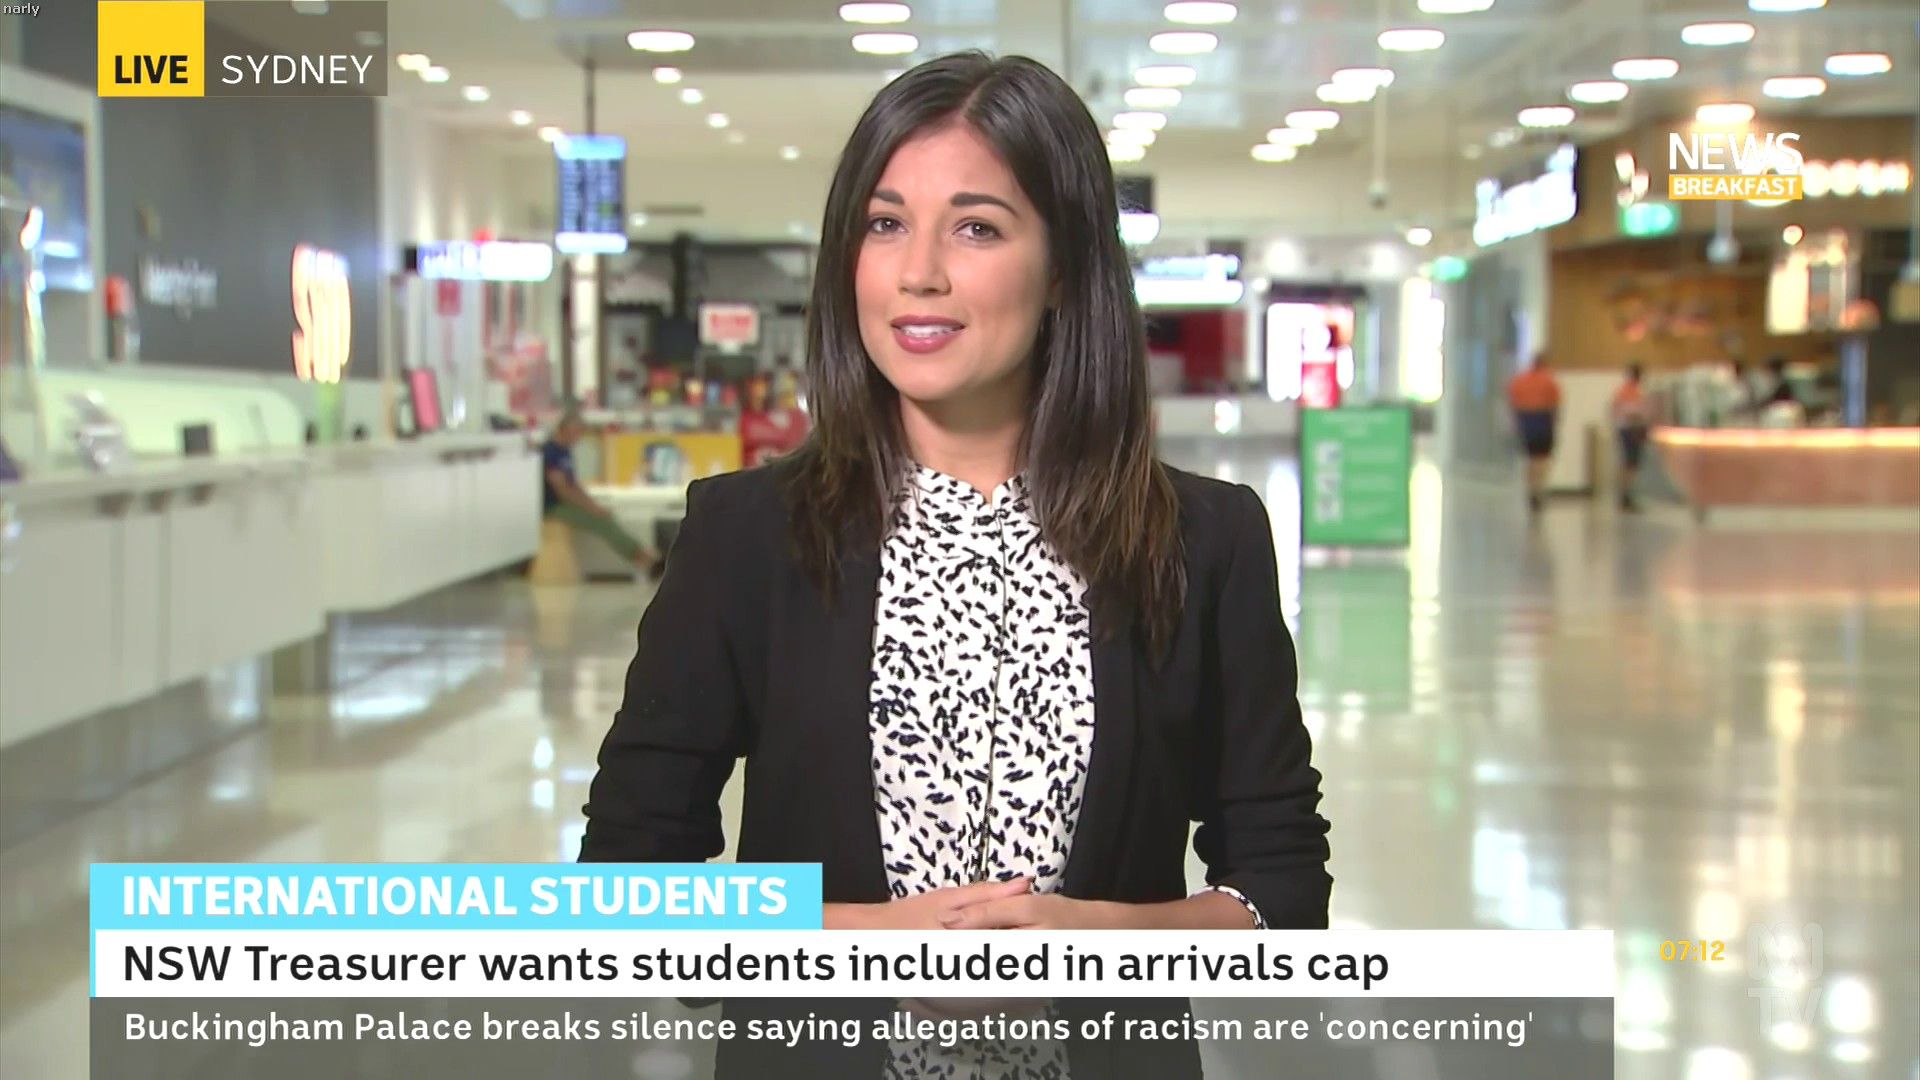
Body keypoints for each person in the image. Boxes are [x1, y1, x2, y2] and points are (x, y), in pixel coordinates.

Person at [579, 51, 1331, 1079]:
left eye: (976, 228)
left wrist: (1108, 938)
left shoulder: (1205, 540)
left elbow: (1282, 892)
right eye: (885, 224)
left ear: (1063, 267)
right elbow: (625, 892)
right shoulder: (747, 536)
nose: (917, 271)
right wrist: (863, 940)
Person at [540, 412, 661, 579]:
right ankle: (642, 557)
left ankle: (641, 555)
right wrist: (592, 507)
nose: (578, 439)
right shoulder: (550, 452)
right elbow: (563, 489)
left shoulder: (564, 452)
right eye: (576, 433)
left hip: (563, 503)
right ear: (564, 430)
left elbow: (573, 485)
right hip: (552, 507)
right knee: (601, 520)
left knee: (604, 515)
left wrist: (593, 504)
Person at [1507, 351, 1562, 513]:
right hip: (1543, 419)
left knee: (1530, 458)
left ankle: (1531, 488)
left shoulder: (1519, 381)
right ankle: (1538, 488)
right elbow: (1555, 405)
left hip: (1525, 420)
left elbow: (1513, 404)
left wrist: (1516, 424)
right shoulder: (1549, 381)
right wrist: (1554, 423)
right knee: (1542, 459)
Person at [1610, 363, 1651, 513]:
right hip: (1630, 430)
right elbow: (1631, 413)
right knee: (1630, 464)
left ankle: (1625, 495)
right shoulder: (1631, 391)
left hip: (1625, 429)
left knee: (1628, 464)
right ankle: (1625, 496)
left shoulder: (1624, 390)